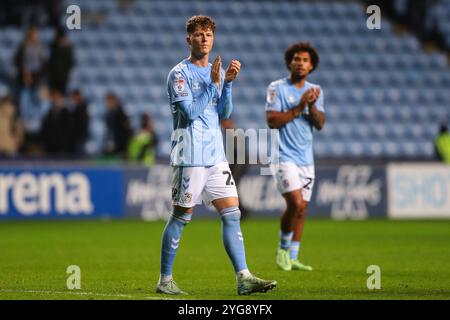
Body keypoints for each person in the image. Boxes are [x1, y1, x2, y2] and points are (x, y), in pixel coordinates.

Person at [157, 15, 276, 296]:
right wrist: (212, 84)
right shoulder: (179, 74)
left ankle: (243, 277)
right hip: (190, 156)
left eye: (208, 34)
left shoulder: (217, 71)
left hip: (215, 156)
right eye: (198, 34)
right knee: (180, 216)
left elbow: (223, 113)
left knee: (232, 214)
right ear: (189, 40)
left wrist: (229, 83)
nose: (204, 39)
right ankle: (165, 279)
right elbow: (189, 113)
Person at [265, 42, 325, 272]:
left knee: (302, 209)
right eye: (296, 59)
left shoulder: (315, 91)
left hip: (306, 159)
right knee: (295, 203)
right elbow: (272, 121)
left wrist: (312, 106)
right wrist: (300, 106)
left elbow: (320, 124)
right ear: (290, 62)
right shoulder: (277, 88)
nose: (300, 63)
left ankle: (294, 256)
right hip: (283, 156)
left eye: (305, 60)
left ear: (311, 66)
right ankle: (282, 250)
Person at [40, 88, 72, 156]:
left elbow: (68, 129)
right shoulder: (50, 112)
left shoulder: (66, 112)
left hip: (62, 147)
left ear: (62, 98)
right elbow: (46, 128)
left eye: (57, 97)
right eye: (54, 97)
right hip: (50, 146)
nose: (55, 100)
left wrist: (64, 142)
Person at [103, 92, 132, 158]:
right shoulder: (110, 113)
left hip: (121, 145)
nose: (107, 104)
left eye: (108, 101)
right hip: (115, 144)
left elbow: (127, 129)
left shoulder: (121, 112)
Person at [48, 26, 75, 94]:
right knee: (53, 94)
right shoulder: (54, 46)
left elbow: (71, 63)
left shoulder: (68, 48)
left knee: (62, 94)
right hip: (53, 76)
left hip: (63, 77)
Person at [70, 89, 89, 156]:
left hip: (80, 135)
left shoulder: (83, 107)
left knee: (80, 154)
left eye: (74, 96)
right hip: (77, 136)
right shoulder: (76, 107)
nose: (73, 98)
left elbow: (83, 122)